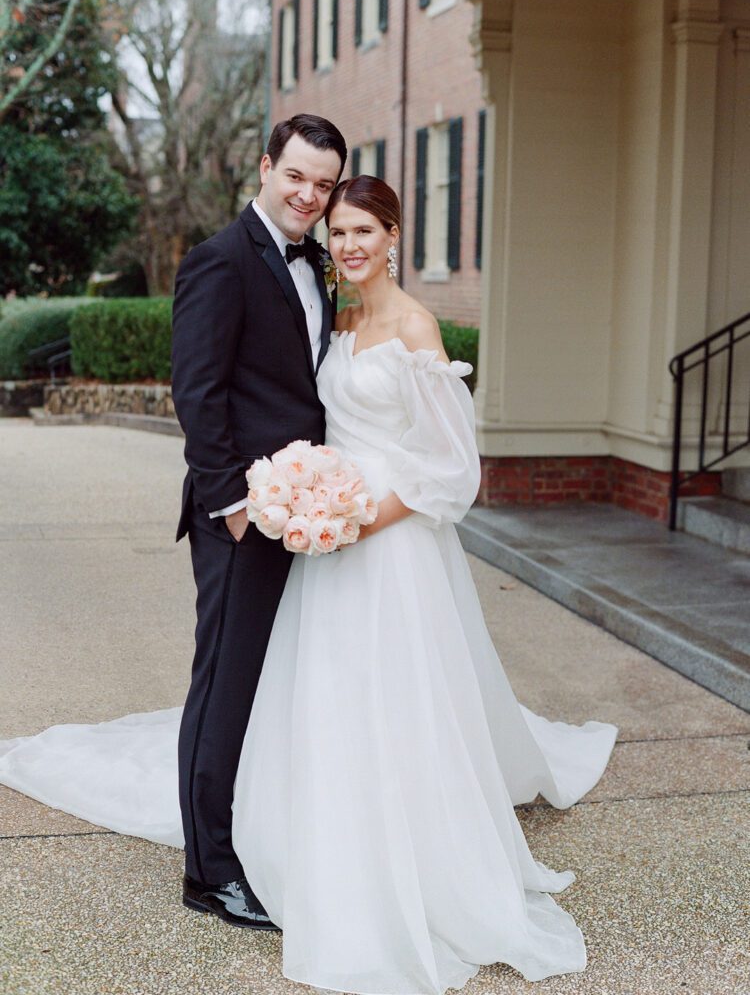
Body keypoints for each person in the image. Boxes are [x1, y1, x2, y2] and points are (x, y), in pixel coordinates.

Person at [0, 173, 617, 993]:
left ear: (394, 236)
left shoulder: (416, 327)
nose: (351, 245)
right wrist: (307, 500)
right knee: (318, 691)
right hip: (323, 541)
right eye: (340, 232)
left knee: (394, 697)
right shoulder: (343, 315)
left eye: (365, 229)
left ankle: (407, 848)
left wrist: (361, 519)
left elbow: (451, 473)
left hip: (388, 547)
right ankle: (307, 834)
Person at [170, 113, 346, 927]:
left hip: (304, 511)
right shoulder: (220, 260)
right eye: (296, 177)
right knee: (223, 688)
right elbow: (198, 395)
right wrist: (234, 508)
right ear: (267, 167)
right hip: (245, 517)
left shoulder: (318, 262)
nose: (309, 195)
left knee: (276, 684)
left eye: (323, 183)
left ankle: (258, 831)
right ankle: (209, 871)